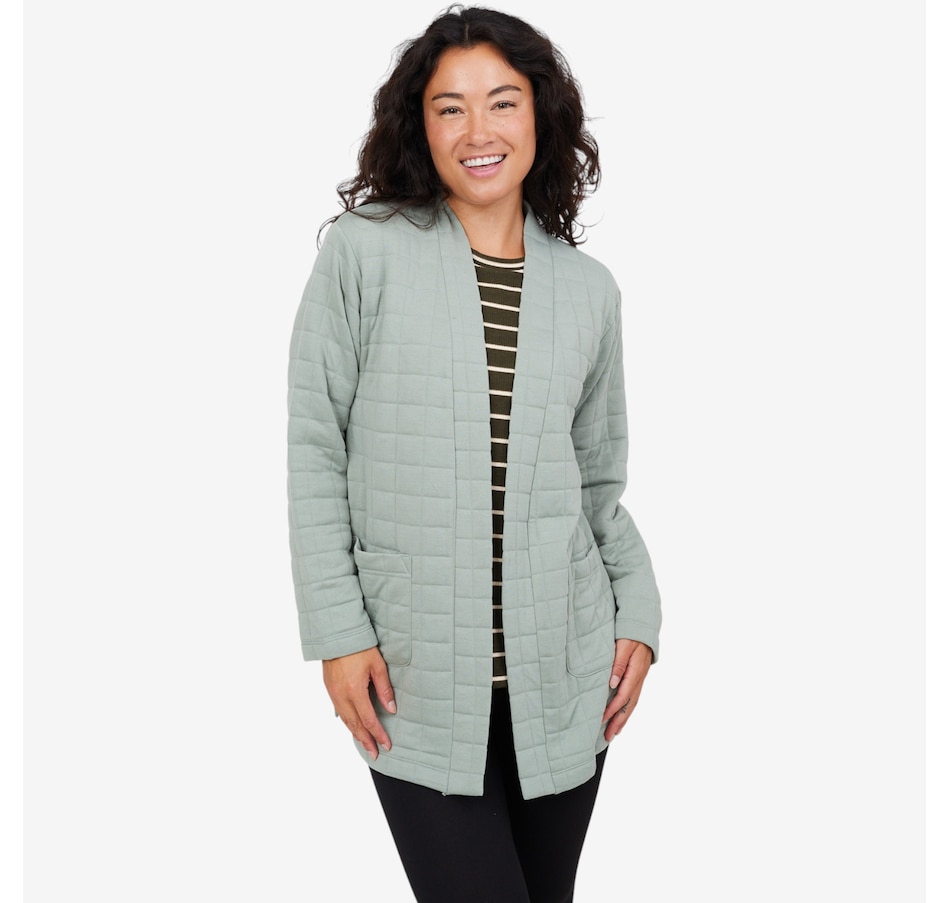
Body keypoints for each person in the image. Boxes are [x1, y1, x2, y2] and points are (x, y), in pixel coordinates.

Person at [287, 6, 661, 900]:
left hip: (565, 678)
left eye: (502, 102)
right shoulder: (365, 253)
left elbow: (598, 484)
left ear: (540, 113)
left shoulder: (589, 291)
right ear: (419, 124)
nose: (478, 131)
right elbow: (313, 447)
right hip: (414, 681)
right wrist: (338, 634)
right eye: (449, 108)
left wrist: (640, 616)